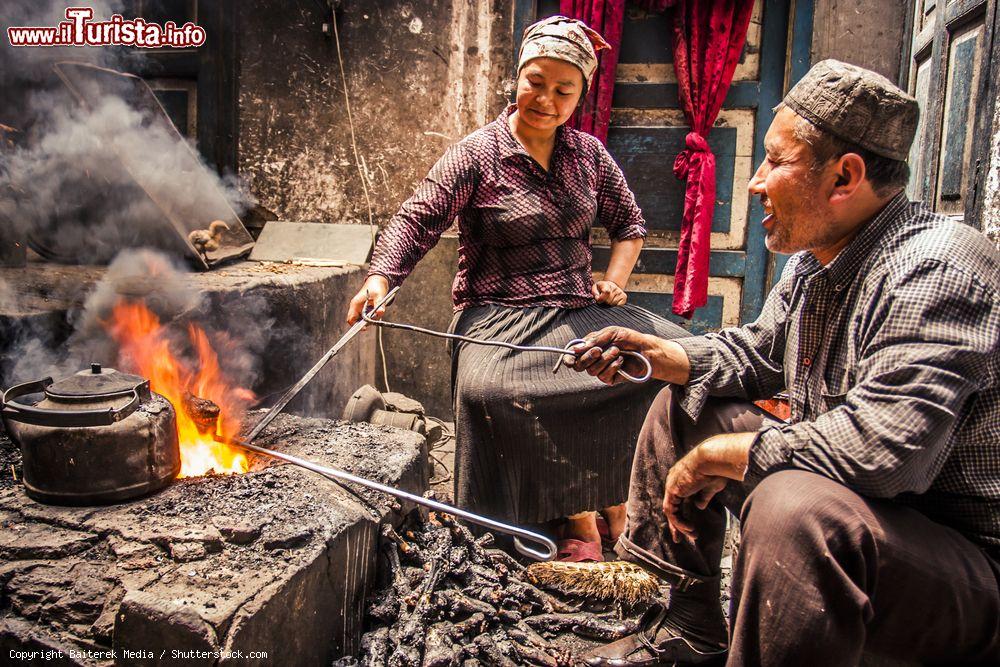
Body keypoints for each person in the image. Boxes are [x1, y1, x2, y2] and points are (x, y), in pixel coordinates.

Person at [565, 59, 1000, 665]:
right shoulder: (819, 256)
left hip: (958, 569)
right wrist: (666, 356)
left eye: (776, 160)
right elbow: (763, 352)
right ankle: (682, 629)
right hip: (863, 512)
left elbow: (886, 452)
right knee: (683, 407)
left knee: (791, 508)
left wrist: (733, 455)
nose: (755, 180)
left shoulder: (935, 270)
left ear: (844, 177)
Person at [346, 16, 690, 561]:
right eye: (536, 81)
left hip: (579, 307)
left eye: (563, 89)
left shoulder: (591, 157)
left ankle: (620, 504)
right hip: (497, 313)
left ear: (580, 95)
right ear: (517, 77)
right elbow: (417, 220)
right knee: (489, 394)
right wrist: (379, 279)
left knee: (674, 361)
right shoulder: (477, 154)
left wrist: (614, 283)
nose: (546, 99)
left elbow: (631, 225)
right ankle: (561, 516)